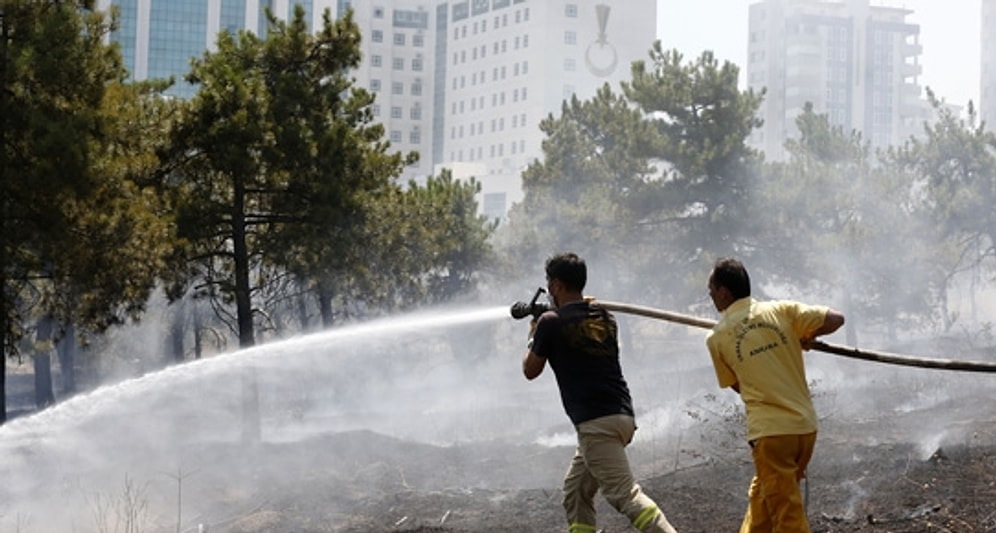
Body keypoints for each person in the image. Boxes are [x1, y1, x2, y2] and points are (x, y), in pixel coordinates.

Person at [522, 252, 678, 533]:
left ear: (556, 285)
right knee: (576, 490)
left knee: (625, 495)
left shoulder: (549, 322)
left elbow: (530, 370)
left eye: (549, 284)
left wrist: (534, 328)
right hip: (621, 416)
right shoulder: (606, 317)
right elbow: (581, 330)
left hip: (596, 424)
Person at [705, 257, 845, 533]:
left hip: (771, 435)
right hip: (804, 429)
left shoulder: (718, 337)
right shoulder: (782, 310)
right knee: (764, 497)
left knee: (787, 516)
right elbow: (835, 319)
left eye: (711, 290)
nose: (709, 295)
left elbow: (739, 386)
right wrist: (806, 336)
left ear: (724, 292)